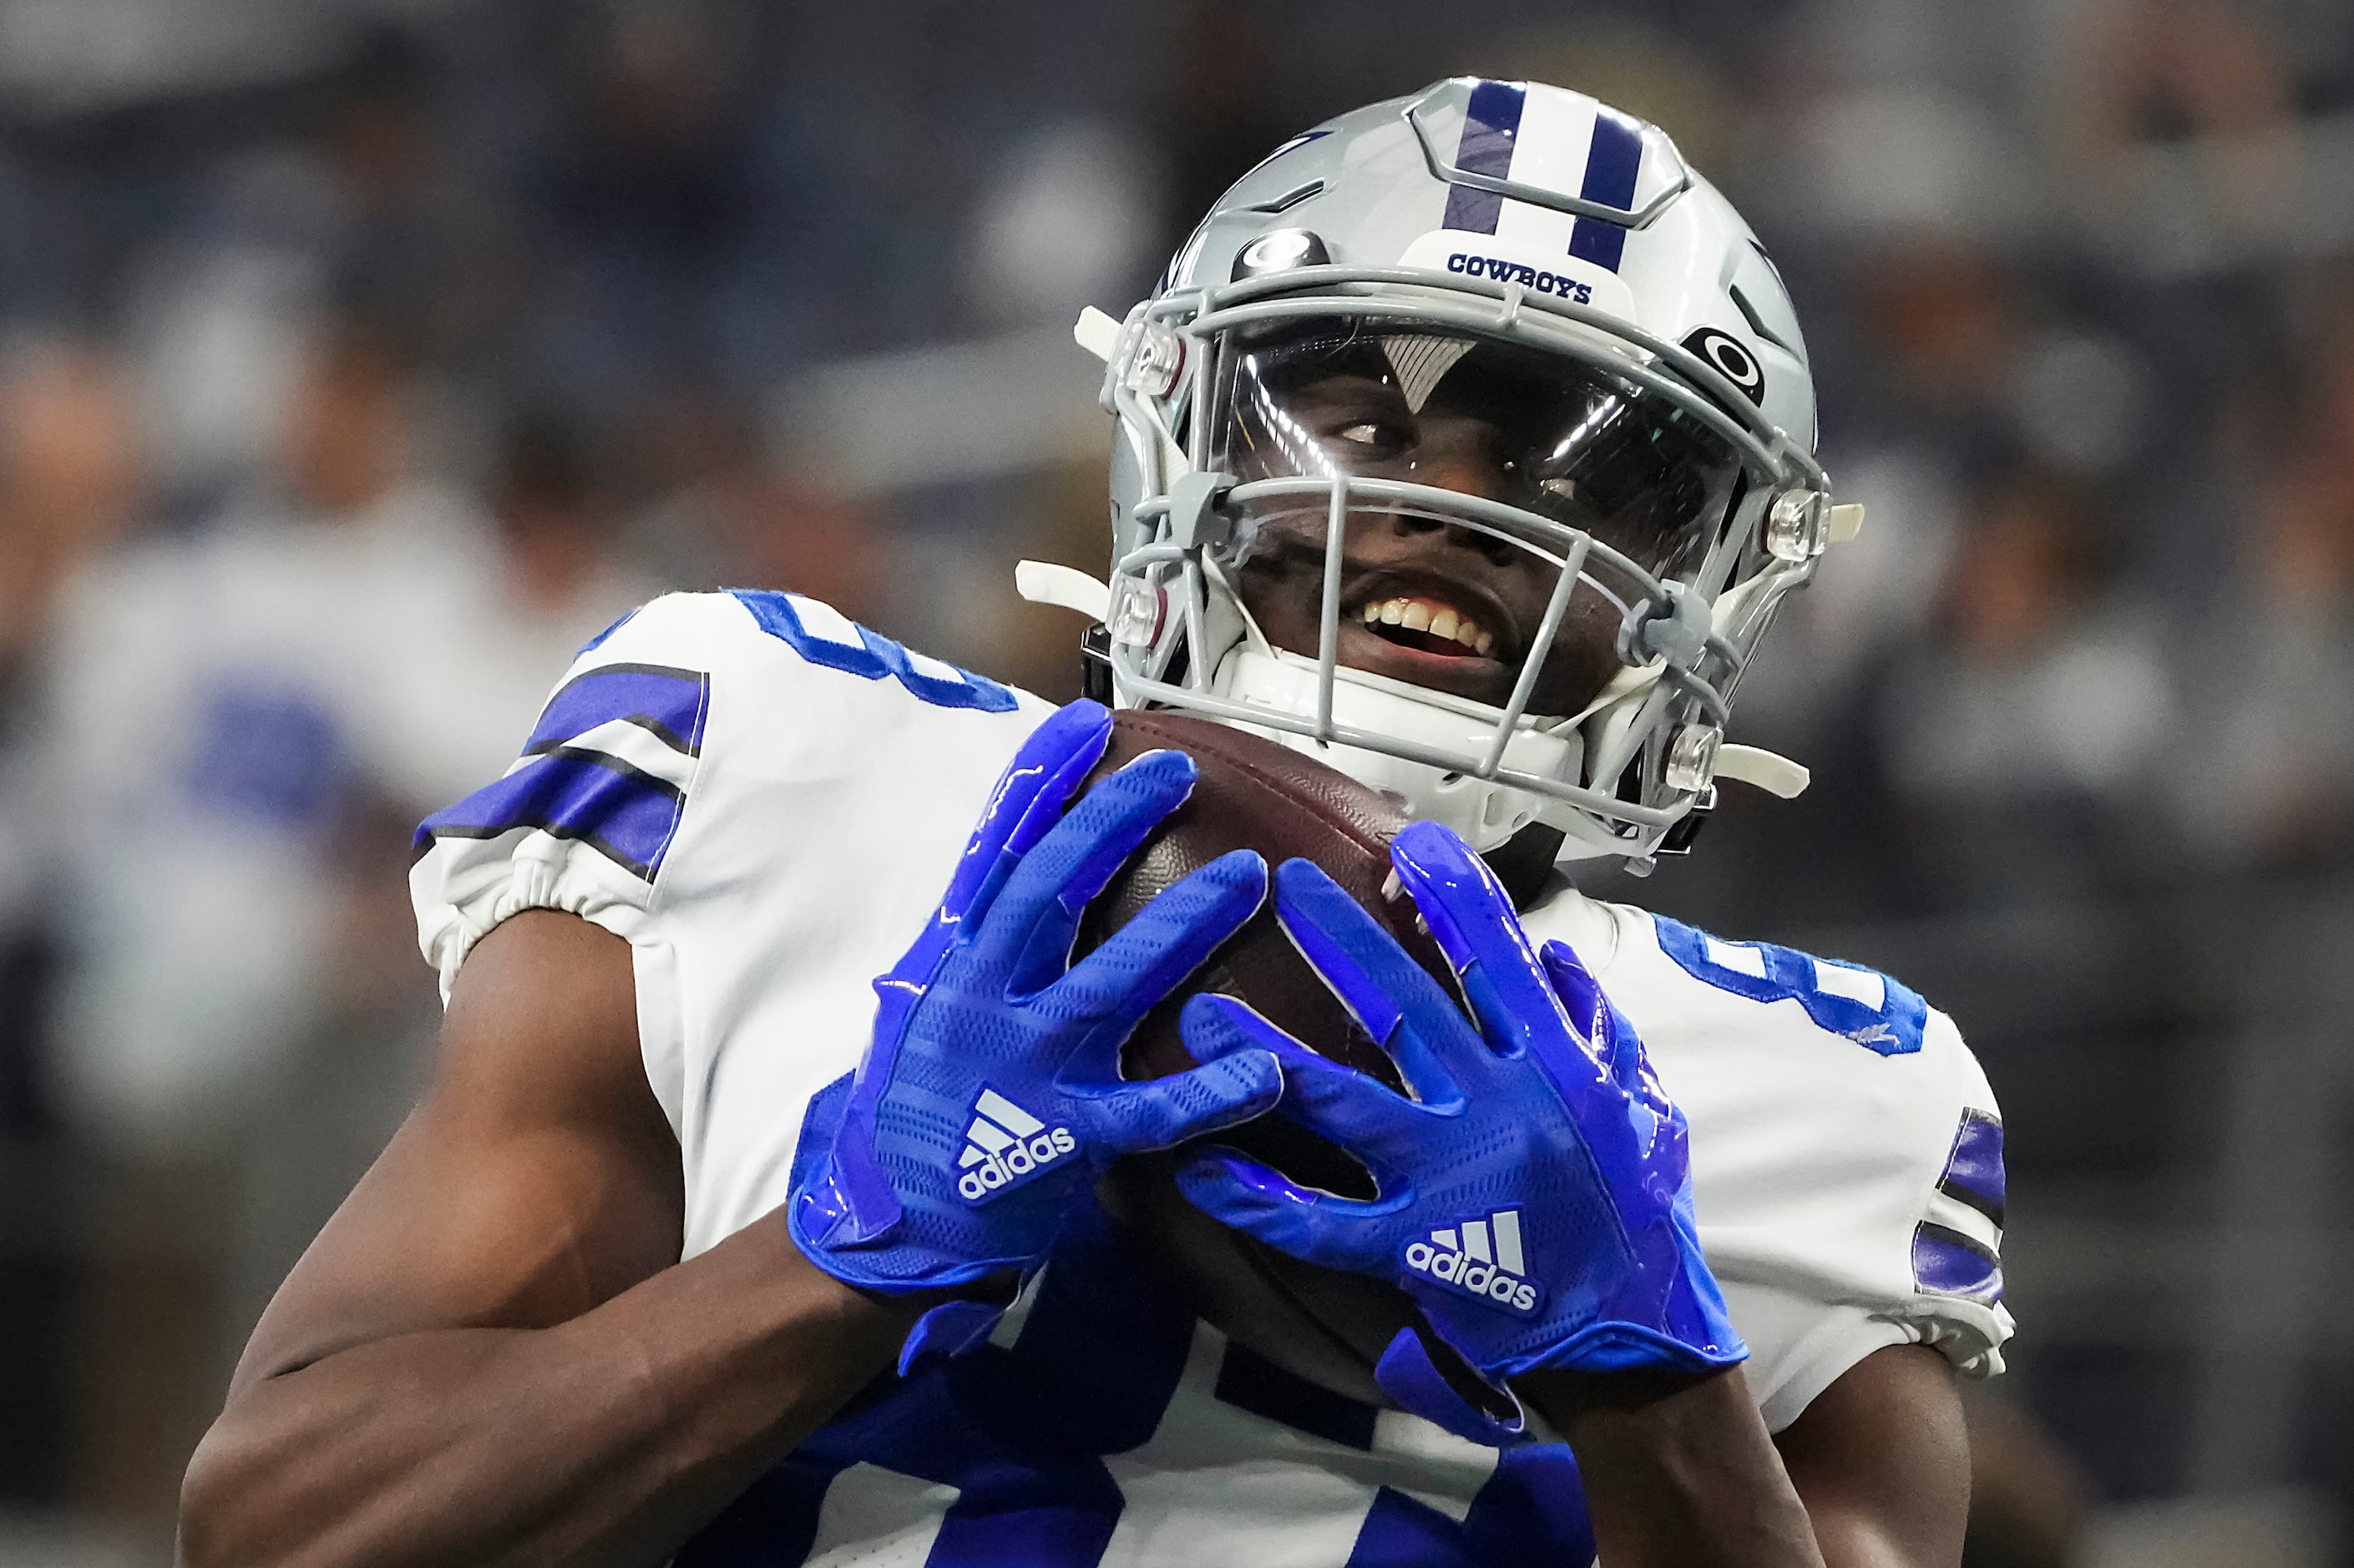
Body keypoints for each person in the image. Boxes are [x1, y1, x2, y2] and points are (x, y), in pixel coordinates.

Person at [180, 78, 2009, 1567]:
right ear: (1178, 435)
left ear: (1717, 592)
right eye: (1358, 411)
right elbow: (283, 1528)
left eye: (1584, 473)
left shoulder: (1830, 1093)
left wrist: (1649, 1386)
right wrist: (833, 1258)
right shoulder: (781, 749)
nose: (1452, 512)